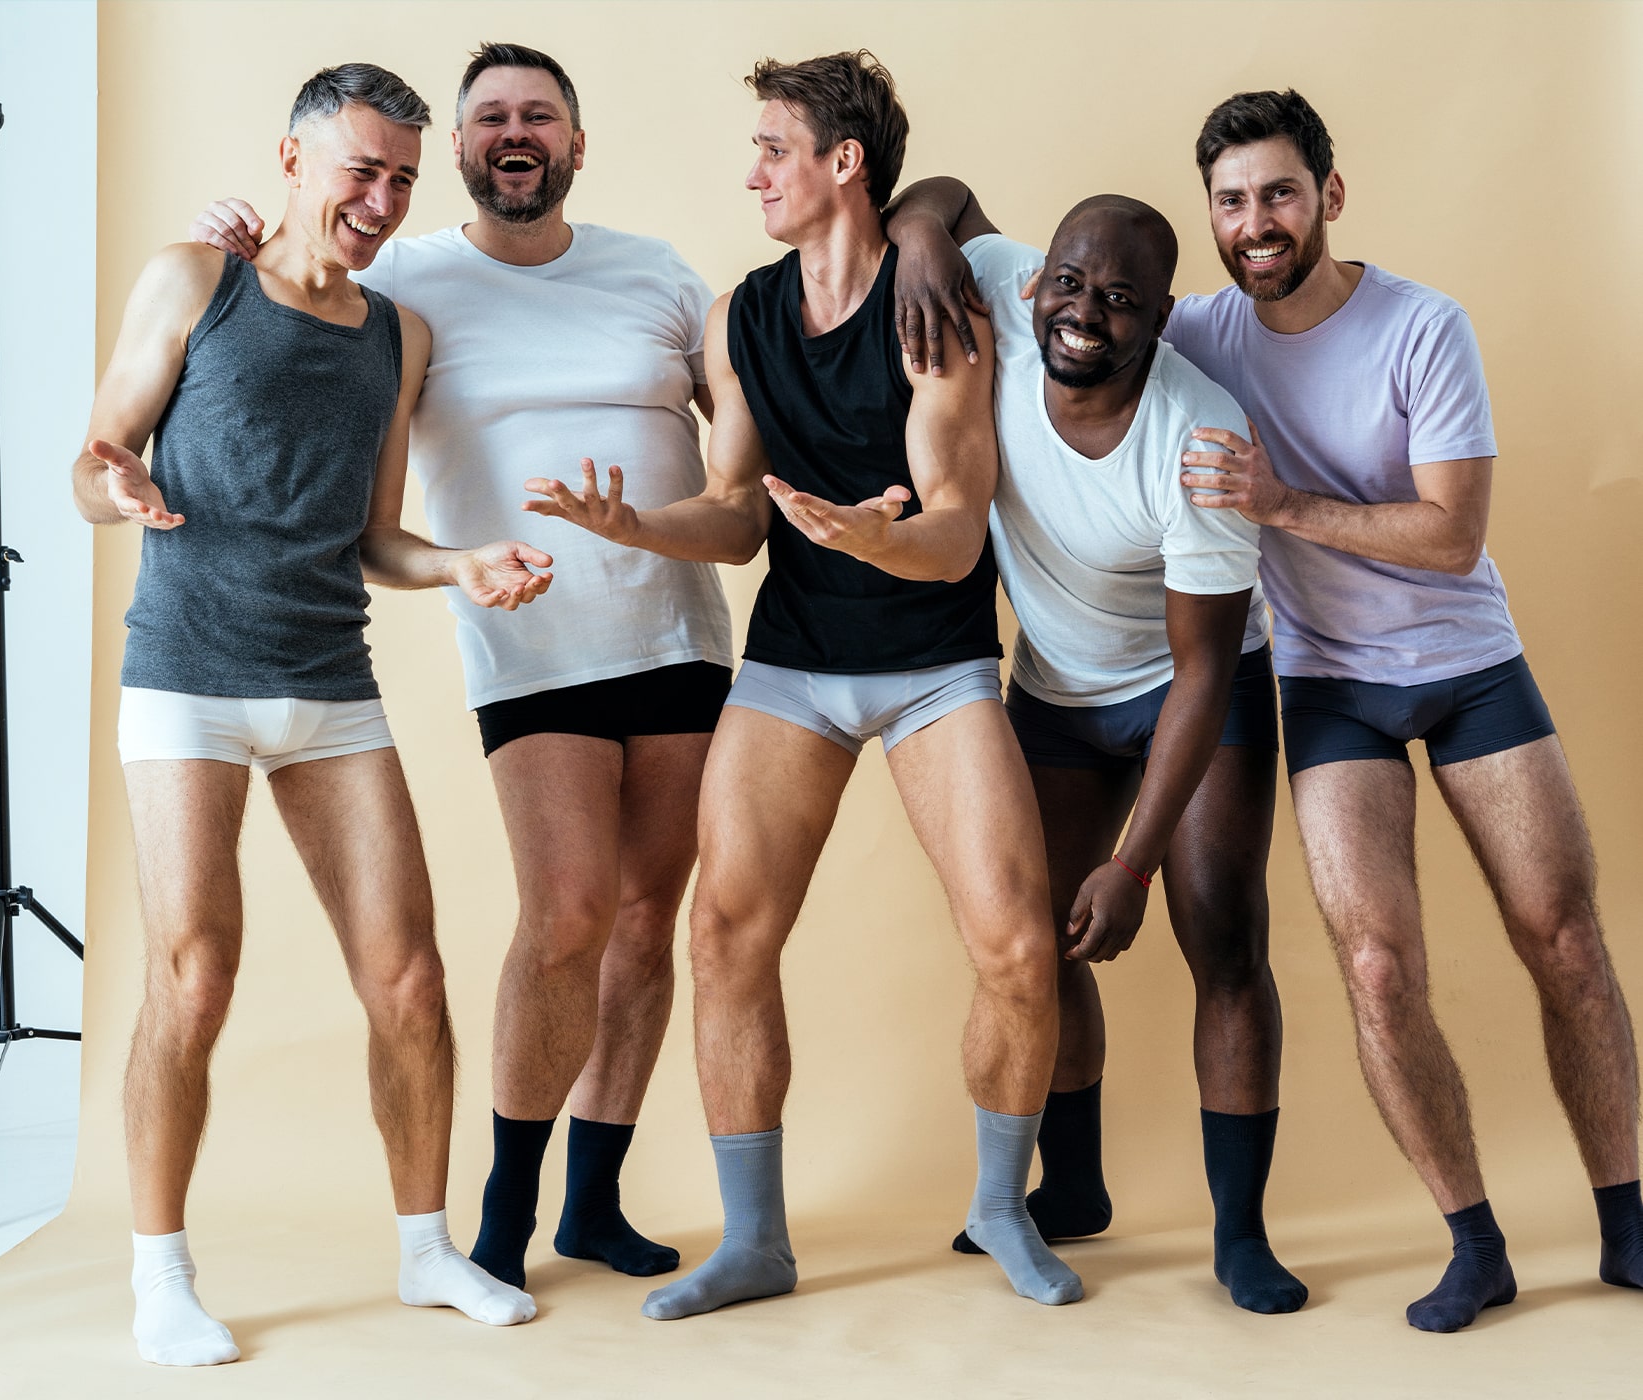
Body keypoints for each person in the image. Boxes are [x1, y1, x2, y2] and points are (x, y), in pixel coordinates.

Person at [528, 50, 1079, 1318]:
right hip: (793, 662)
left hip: (936, 662)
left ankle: (998, 1207)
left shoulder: (935, 306)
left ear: (845, 162)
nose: (753, 171)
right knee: (724, 934)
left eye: (774, 146)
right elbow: (733, 516)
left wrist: (878, 536)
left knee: (1011, 939)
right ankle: (757, 1240)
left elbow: (953, 524)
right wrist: (636, 526)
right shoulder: (741, 315)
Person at [190, 42, 733, 1289]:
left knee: (647, 924)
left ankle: (592, 1203)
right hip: (531, 653)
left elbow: (744, 452)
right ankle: (501, 1213)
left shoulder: (656, 275)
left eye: (540, 113)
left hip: (680, 641)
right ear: (462, 152)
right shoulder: (407, 284)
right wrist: (225, 238)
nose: (514, 130)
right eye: (490, 116)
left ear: (576, 144)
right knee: (567, 919)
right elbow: (288, 307)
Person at [74, 64, 545, 1365]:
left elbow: (380, 537)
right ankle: (158, 1277)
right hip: (186, 681)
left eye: (403, 176)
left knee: (409, 977)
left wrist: (460, 565)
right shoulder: (195, 279)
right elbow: (91, 459)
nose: (384, 198)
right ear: (292, 160)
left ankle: (425, 1251)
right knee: (195, 971)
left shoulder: (400, 336)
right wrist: (114, 492)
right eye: (362, 169)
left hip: (329, 684)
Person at [1165, 88, 1643, 1331]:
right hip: (1329, 686)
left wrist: (1278, 505)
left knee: (1563, 937)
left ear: (1327, 195)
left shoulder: (1421, 325)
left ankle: (1628, 1218)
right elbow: (1042, 283)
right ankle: (1472, 1240)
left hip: (1469, 663)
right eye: (1229, 201)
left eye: (1276, 193)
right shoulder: (1201, 332)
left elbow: (1449, 533)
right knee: (1375, 963)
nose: (1254, 221)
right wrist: (936, 227)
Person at [880, 181, 1307, 1313]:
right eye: (1067, 283)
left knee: (1218, 932)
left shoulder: (1200, 436)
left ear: (1161, 318)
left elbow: (1204, 670)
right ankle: (1070, 1189)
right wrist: (921, 234)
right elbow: (940, 196)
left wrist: (1133, 860)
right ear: (1031, 280)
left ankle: (1238, 1231)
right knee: (1037, 936)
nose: (1083, 311)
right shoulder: (1008, 308)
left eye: (1119, 298)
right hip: (1057, 691)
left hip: (1189, 686)